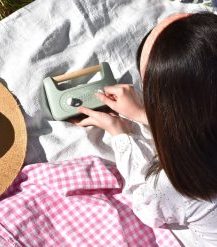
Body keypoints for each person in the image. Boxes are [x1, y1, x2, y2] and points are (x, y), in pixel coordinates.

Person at [75, 12, 217, 246]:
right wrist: (143, 115)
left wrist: (119, 133)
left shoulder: (180, 181)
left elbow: (146, 206)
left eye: (150, 88)